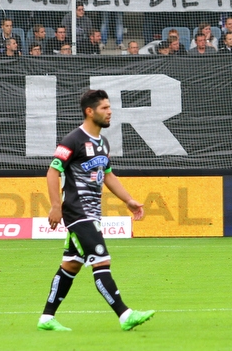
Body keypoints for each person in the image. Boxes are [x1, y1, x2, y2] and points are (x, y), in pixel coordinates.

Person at [38, 89, 155, 333]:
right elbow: (52, 171)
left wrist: (129, 200)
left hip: (92, 213)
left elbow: (108, 175)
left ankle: (46, 318)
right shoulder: (73, 140)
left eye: (109, 107)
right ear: (89, 112)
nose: (109, 111)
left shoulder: (102, 143)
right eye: (104, 108)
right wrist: (56, 206)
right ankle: (125, 315)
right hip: (78, 213)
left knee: (70, 265)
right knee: (102, 260)